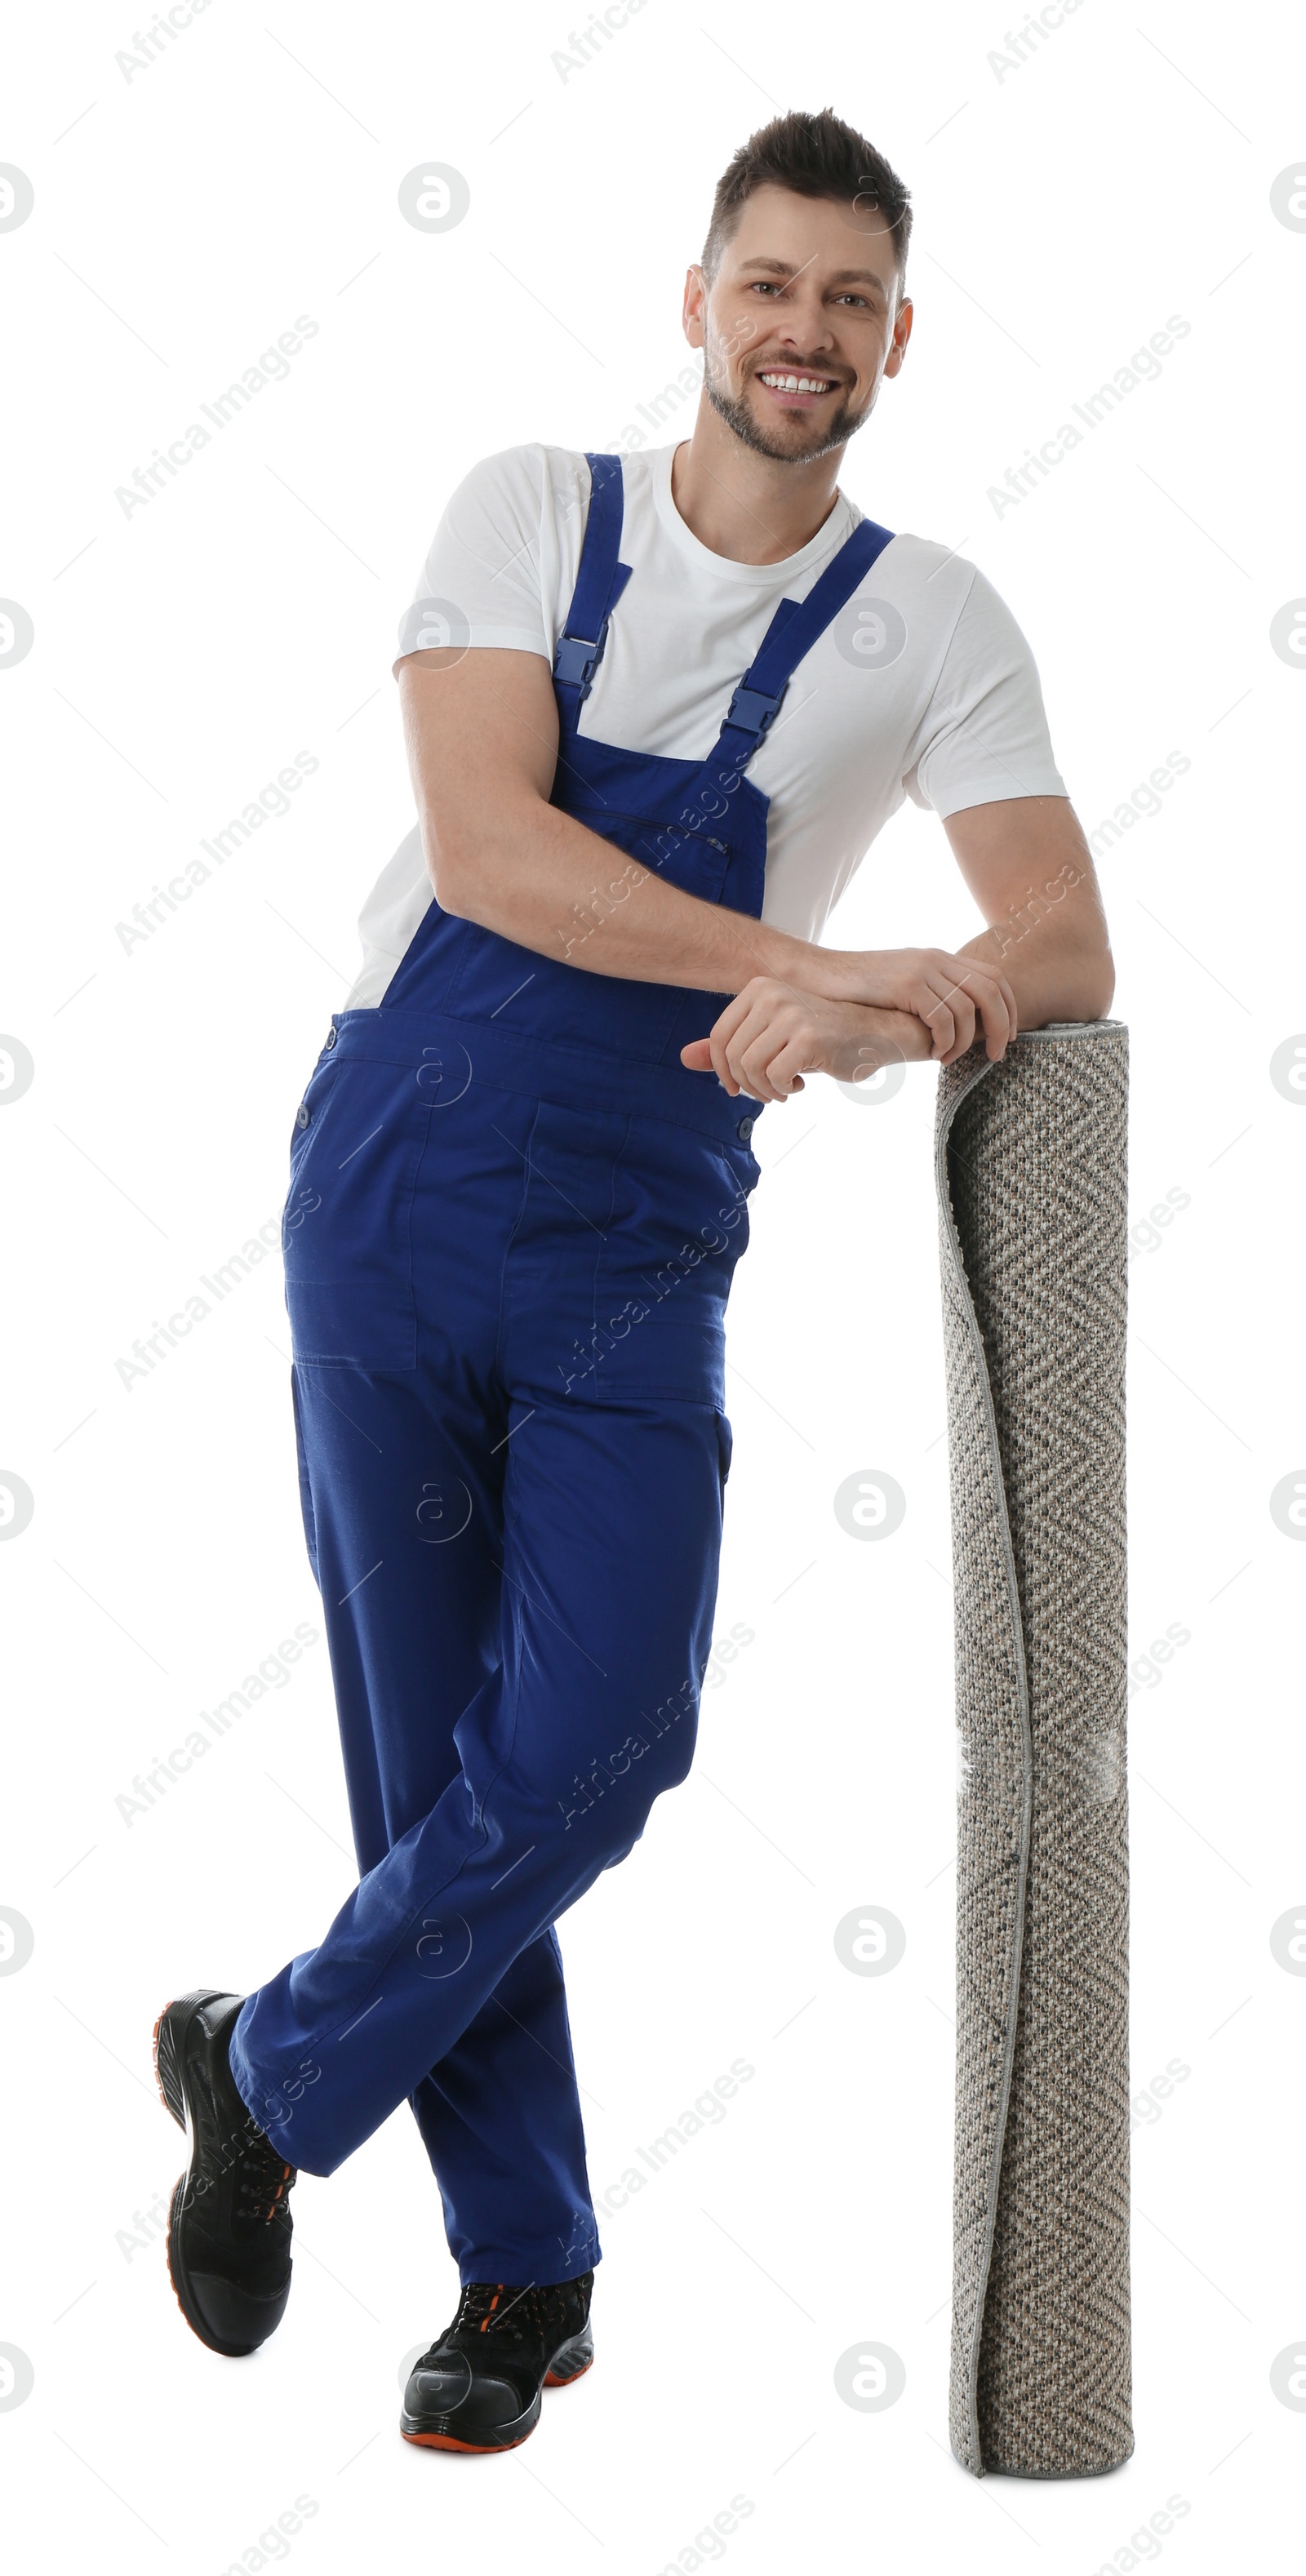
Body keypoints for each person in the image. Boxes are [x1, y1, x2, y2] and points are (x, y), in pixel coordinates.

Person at [152, 105, 1113, 2456]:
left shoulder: (939, 620)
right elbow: (488, 850)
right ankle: (527, 2275)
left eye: (851, 300)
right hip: (395, 1173)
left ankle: (263, 2068)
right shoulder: (523, 509)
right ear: (701, 302)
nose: (805, 334)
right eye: (768, 286)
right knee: (434, 1755)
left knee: (594, 1741)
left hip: (638, 1237)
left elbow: (1064, 943)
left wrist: (895, 1011)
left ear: (901, 336)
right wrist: (830, 958)